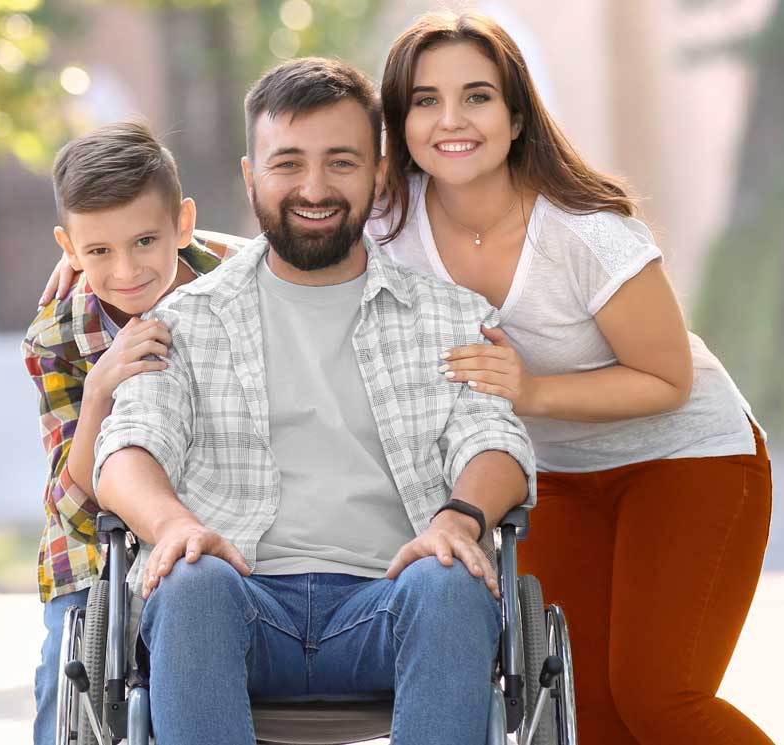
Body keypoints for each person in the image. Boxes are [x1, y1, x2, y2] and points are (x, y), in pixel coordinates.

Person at [90, 58, 535, 745]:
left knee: (449, 579)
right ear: (251, 176)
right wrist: (173, 523)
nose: (315, 187)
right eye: (289, 163)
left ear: (379, 173)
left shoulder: (449, 318)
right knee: (188, 579)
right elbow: (126, 450)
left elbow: (494, 442)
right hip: (239, 597)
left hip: (391, 598)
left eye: (341, 162)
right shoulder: (185, 320)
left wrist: (459, 516)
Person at [369, 10, 775, 744]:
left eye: (478, 96)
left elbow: (667, 377)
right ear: (399, 121)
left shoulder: (585, 229)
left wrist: (531, 392)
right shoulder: (389, 230)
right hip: (554, 476)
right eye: (425, 100)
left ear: (517, 114)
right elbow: (282, 256)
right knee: (589, 715)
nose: (450, 119)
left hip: (688, 456)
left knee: (661, 698)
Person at [21, 119, 234, 745]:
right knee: (65, 668)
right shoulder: (56, 337)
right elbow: (74, 505)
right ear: (69, 246)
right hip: (94, 554)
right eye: (98, 251)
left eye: (145, 241)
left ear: (183, 224)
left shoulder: (235, 288)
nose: (126, 270)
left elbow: (274, 252)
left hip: (214, 525)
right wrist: (99, 392)